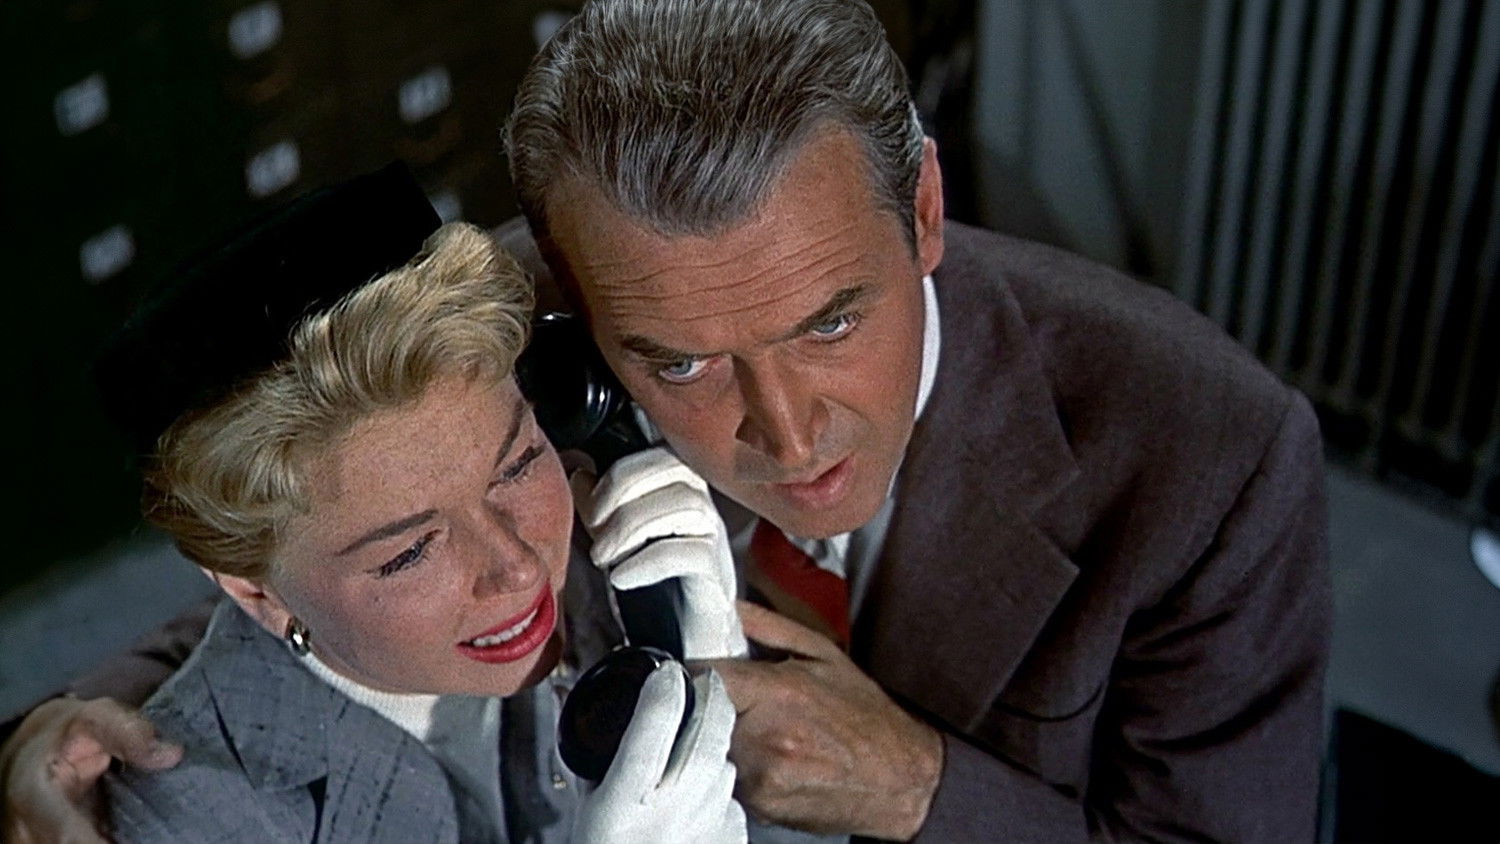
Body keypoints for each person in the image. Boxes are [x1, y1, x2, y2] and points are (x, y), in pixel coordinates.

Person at [3, 1, 1331, 841]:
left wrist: (919, 787)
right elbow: (311, 537)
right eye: (681, 362)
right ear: (570, 302)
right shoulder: (505, 320)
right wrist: (68, 729)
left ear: (925, 209)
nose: (788, 436)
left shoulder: (1212, 454)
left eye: (832, 322)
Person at [32, 166, 749, 842]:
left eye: (519, 464)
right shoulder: (184, 822)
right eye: (409, 553)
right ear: (255, 591)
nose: (519, 568)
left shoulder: (619, 566)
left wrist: (725, 682)